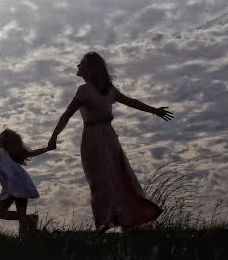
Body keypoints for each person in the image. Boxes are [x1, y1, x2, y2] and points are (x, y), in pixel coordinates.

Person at [48, 51, 173, 232]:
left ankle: (127, 221)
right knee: (100, 180)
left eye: (81, 63)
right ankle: (102, 222)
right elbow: (66, 115)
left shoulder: (108, 90)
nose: (77, 66)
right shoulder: (83, 91)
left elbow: (131, 102)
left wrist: (155, 110)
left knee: (120, 179)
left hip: (109, 139)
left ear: (90, 68)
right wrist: (54, 137)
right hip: (92, 140)